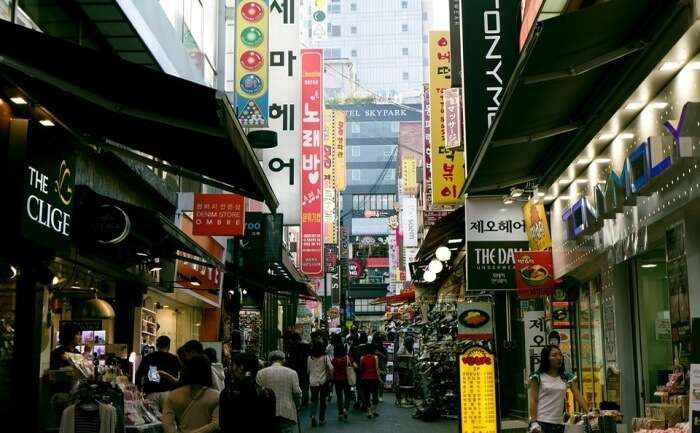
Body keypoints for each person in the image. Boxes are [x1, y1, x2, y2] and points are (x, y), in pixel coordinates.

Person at [528, 345, 588, 433]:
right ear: (546, 358)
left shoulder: (566, 377)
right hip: (541, 423)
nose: (559, 358)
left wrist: (589, 412)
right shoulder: (537, 377)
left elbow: (577, 395)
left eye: (560, 355)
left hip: (559, 424)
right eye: (554, 355)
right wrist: (533, 423)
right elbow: (533, 400)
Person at [220, 352, 276, 432]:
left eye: (233, 365)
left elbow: (223, 424)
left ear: (241, 368)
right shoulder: (267, 394)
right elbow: (271, 425)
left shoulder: (227, 393)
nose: (231, 368)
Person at [162, 355, 220, 433]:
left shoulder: (173, 396)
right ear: (208, 372)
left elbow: (167, 425)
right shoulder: (217, 396)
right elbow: (216, 424)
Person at [257, 350, 303, 433]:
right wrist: (297, 405)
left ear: (270, 360)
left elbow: (258, 393)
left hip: (267, 412)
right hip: (286, 410)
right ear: (283, 360)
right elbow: (297, 392)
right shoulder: (292, 373)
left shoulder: (261, 373)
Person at [135, 336, 181, 407]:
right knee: (167, 416)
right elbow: (180, 377)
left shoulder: (148, 357)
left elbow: (139, 374)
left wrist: (139, 388)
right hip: (169, 394)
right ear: (169, 346)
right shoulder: (175, 359)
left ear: (157, 345)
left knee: (151, 417)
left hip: (151, 393)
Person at [307, 340, 333, 427]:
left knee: (313, 400)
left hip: (313, 381)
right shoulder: (325, 357)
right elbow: (331, 368)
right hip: (323, 381)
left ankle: (313, 416)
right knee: (323, 401)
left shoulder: (309, 358)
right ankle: (322, 419)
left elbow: (308, 370)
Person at [285, 332, 310, 409]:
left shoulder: (292, 347)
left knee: (296, 385)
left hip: (295, 368)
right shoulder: (307, 346)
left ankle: (298, 401)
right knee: (305, 385)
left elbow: (291, 359)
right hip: (305, 368)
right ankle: (304, 402)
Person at [331, 343, 354, 421]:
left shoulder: (334, 360)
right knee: (347, 395)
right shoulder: (348, 358)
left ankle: (340, 413)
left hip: (337, 380)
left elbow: (332, 370)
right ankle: (345, 409)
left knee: (339, 396)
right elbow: (354, 365)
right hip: (347, 379)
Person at [360, 344, 381, 419]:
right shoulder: (375, 357)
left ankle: (369, 412)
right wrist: (380, 378)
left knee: (367, 395)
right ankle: (373, 410)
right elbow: (377, 368)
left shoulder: (362, 358)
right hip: (374, 378)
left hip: (365, 378)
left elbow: (361, 368)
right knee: (375, 394)